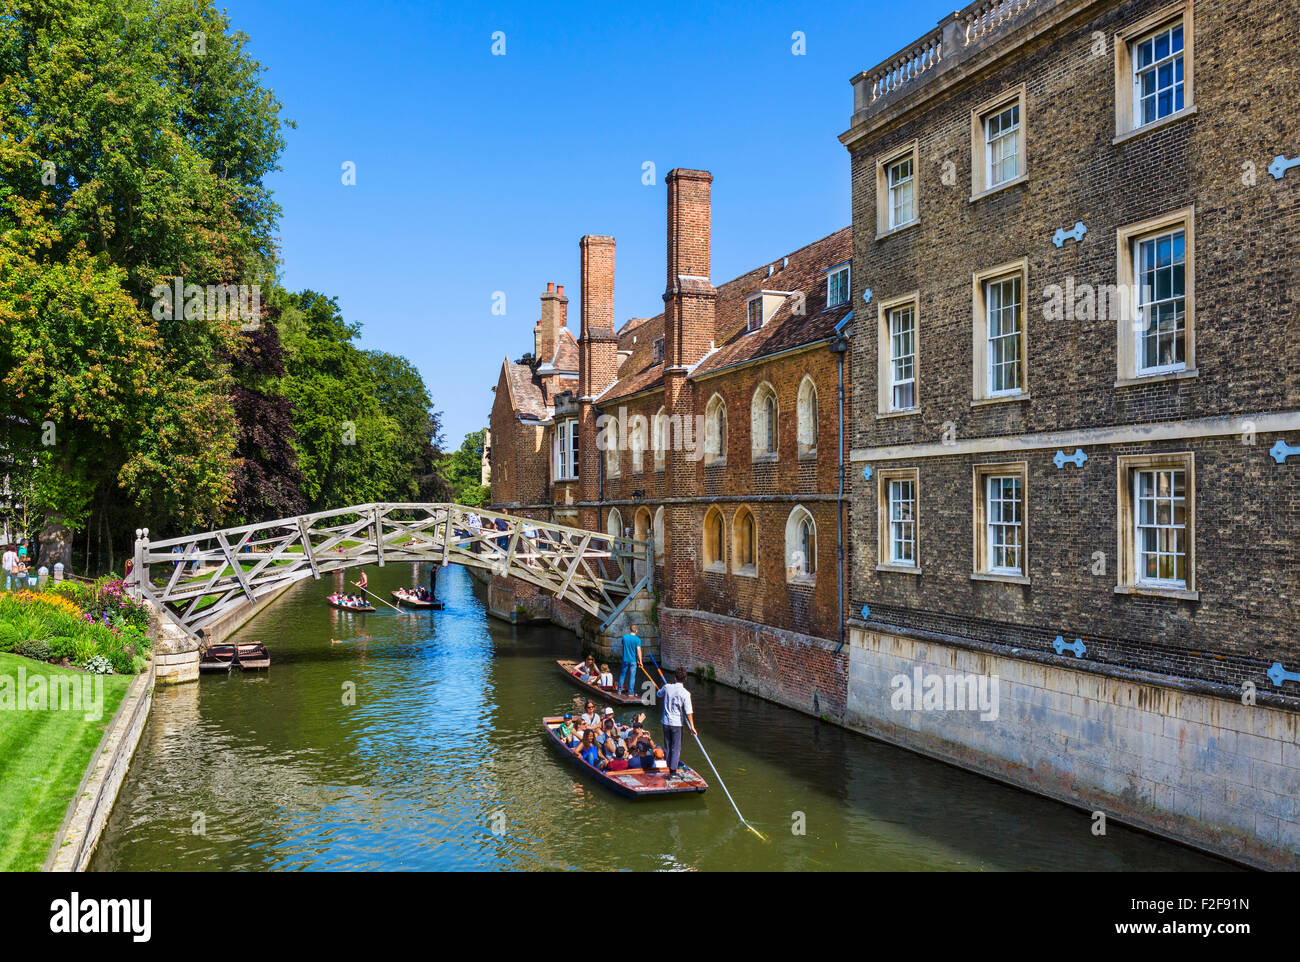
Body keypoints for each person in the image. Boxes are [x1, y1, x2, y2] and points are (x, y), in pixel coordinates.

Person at [656, 668, 697, 778]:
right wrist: (692, 727)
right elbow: (689, 712)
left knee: (668, 746)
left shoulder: (667, 687)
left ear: (675, 677)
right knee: (676, 748)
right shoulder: (686, 693)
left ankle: (669, 766)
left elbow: (659, 694)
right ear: (685, 679)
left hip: (665, 722)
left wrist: (661, 691)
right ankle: (673, 772)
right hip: (676, 724)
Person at [617, 624, 643, 696]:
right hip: (633, 661)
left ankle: (619, 690)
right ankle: (630, 692)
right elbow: (638, 650)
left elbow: (623, 646)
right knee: (632, 676)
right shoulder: (638, 640)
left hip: (625, 659)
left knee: (622, 675)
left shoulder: (624, 638)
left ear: (630, 630)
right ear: (636, 631)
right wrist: (640, 661)